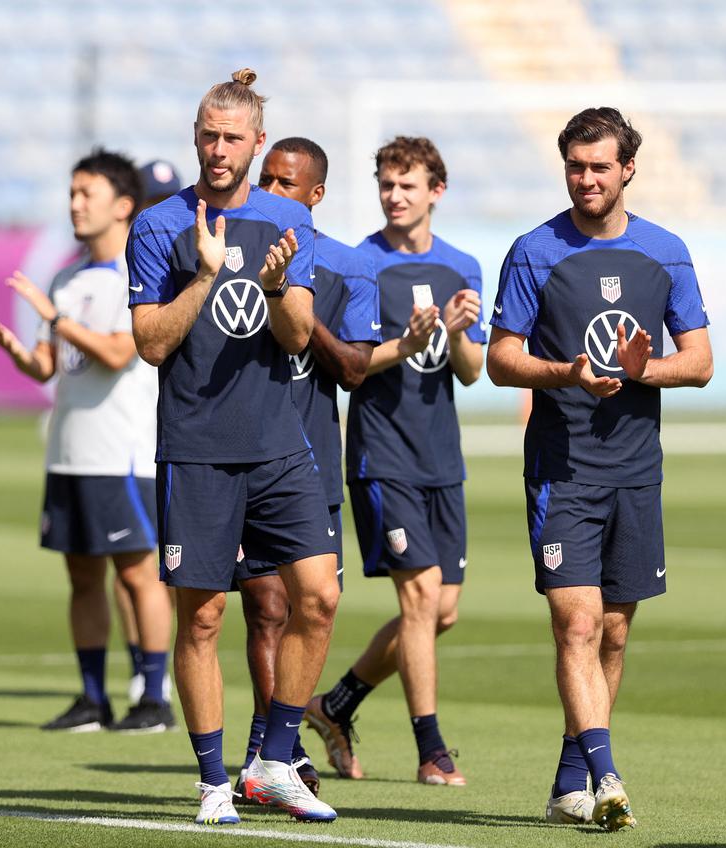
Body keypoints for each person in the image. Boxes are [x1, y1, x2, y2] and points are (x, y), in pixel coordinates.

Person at [486, 107, 712, 831]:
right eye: (575, 167)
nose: (585, 179)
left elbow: (701, 363)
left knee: (614, 631)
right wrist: (566, 372)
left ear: (628, 170)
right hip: (564, 469)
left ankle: (567, 782)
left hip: (637, 472)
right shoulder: (532, 251)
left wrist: (648, 372)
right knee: (577, 624)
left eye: (598, 167)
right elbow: (499, 359)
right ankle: (608, 779)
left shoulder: (667, 252)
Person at [128, 69, 340, 826]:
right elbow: (151, 344)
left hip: (279, 443)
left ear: (256, 143)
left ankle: (275, 763)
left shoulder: (289, 219)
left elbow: (294, 337)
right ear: (195, 136)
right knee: (206, 619)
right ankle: (215, 781)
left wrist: (280, 284)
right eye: (208, 135)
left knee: (318, 596)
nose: (218, 149)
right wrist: (203, 278)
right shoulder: (157, 225)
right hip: (197, 448)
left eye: (232, 138)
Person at [304, 135, 484, 788]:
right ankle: (432, 750)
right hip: (383, 456)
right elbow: (351, 367)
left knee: (443, 611)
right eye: (386, 183)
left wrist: (460, 332)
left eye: (407, 185)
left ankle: (336, 703)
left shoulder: (462, 264)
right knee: (421, 597)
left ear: (436, 191)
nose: (394, 195)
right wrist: (404, 344)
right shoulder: (360, 265)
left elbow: (469, 374)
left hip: (443, 460)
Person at [0, 149, 175, 734]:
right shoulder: (66, 276)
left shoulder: (134, 275)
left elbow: (121, 352)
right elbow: (50, 365)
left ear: (123, 206)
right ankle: (93, 697)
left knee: (138, 574)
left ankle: (153, 697)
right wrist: (22, 352)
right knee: (82, 577)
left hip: (122, 451)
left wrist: (57, 320)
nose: (75, 204)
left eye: (86, 194)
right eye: (71, 193)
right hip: (69, 451)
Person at [230, 137, 380, 798]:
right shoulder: (231, 251)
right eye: (266, 178)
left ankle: (278, 742)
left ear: (316, 195)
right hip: (241, 457)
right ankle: (273, 752)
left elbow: (353, 368)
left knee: (311, 606)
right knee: (263, 607)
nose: (272, 190)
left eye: (287, 182)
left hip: (313, 460)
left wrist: (293, 303)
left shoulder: (347, 268)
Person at [115, 158, 184, 707]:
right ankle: (141, 669)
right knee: (123, 568)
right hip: (116, 441)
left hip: (153, 435)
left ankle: (153, 682)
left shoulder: (183, 254)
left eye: (164, 197)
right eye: (147, 198)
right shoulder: (127, 259)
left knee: (148, 568)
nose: (154, 208)